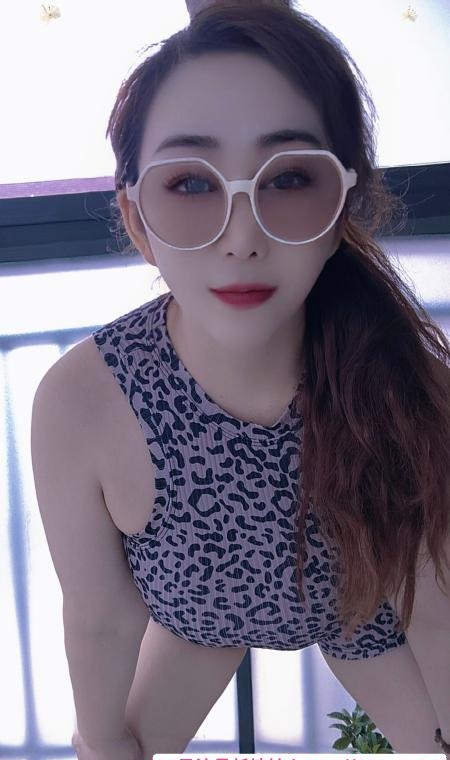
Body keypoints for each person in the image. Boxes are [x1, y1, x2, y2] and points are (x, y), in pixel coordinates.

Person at [30, 1, 450, 759]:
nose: (243, 238)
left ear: (342, 204)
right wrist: (100, 745)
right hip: (196, 628)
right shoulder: (80, 403)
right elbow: (99, 618)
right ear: (137, 218)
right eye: (191, 185)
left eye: (288, 177)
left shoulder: (411, 386)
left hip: (362, 618)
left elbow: (435, 601)